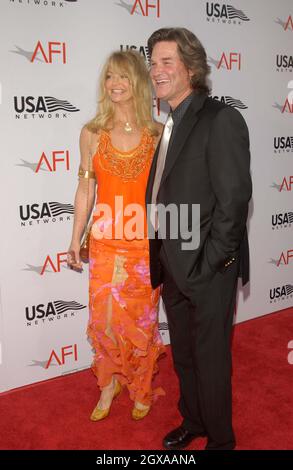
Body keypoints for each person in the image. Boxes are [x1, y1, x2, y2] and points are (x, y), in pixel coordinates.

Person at [146, 28, 252, 450]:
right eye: (153, 62)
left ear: (192, 67)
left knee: (210, 362)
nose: (156, 70)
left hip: (208, 270)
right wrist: (166, 257)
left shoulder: (221, 119)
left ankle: (221, 441)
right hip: (172, 263)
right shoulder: (171, 121)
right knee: (185, 355)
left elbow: (233, 201)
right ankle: (194, 420)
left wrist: (210, 266)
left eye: (166, 61)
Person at [67, 50, 165, 421]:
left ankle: (140, 385)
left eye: (123, 76)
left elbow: (166, 192)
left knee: (142, 321)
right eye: (109, 76)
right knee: (106, 320)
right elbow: (85, 191)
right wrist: (75, 238)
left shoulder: (157, 134)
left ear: (138, 82)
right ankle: (109, 385)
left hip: (144, 244)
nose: (115, 84)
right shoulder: (92, 133)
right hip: (106, 242)